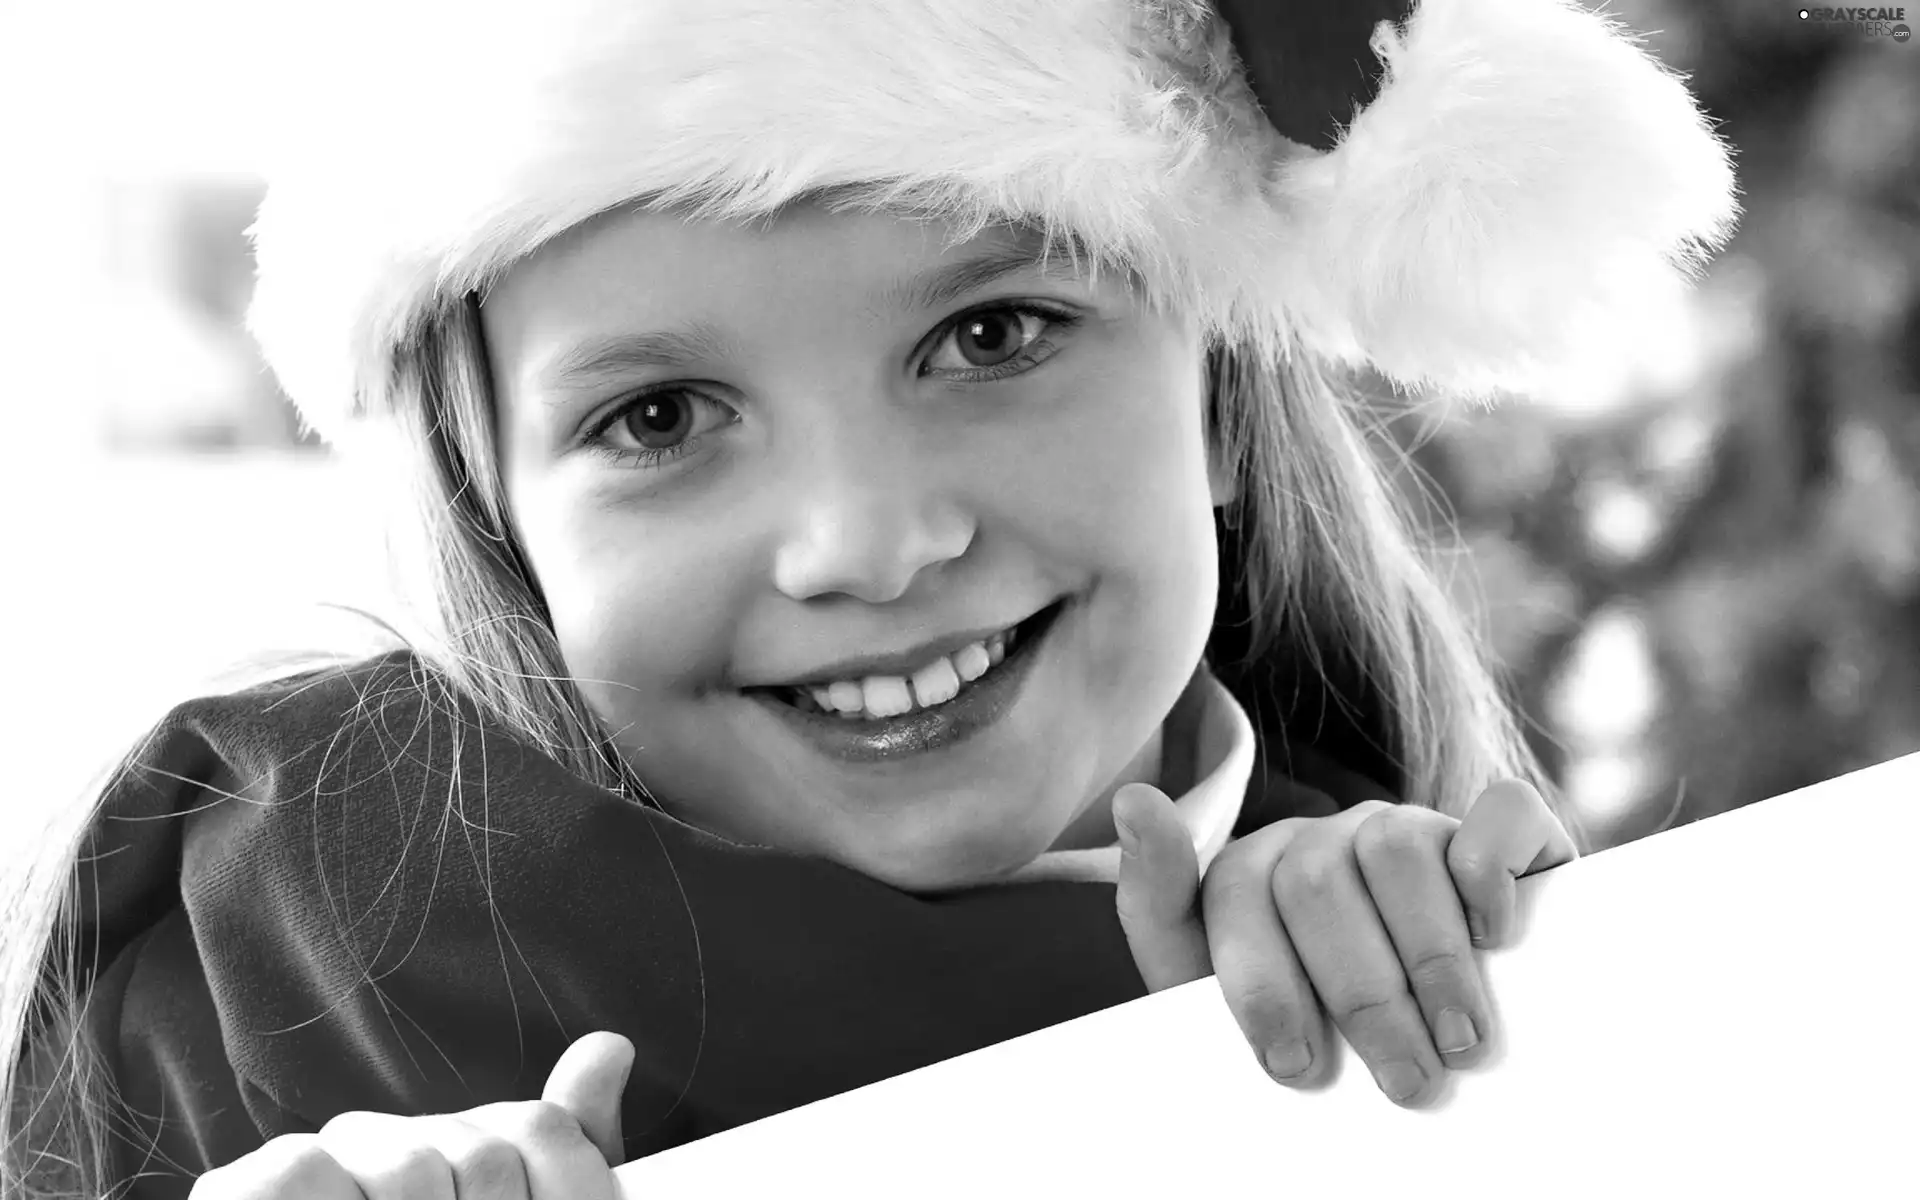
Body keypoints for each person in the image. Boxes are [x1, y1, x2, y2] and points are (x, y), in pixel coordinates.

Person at [2, 0, 1735, 1195]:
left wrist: (1461, 1030)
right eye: (658, 419)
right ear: (504, 527)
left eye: (991, 336)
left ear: (1216, 399)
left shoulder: (1390, 916)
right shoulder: (269, 971)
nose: (867, 544)